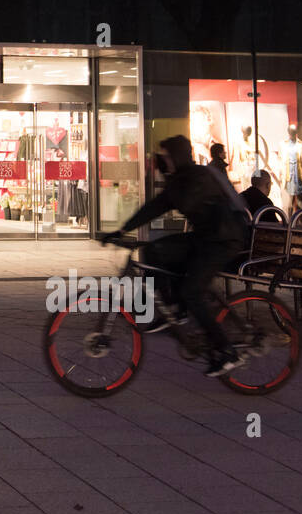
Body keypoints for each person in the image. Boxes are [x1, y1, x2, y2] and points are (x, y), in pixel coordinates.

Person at [99, 135, 248, 376]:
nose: (163, 161)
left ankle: (228, 351)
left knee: (192, 291)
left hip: (224, 240)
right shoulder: (180, 179)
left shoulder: (196, 177)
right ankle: (175, 308)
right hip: (205, 237)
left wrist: (168, 179)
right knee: (156, 250)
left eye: (166, 157)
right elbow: (156, 206)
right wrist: (122, 229)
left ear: (177, 157)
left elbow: (180, 199)